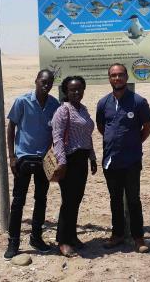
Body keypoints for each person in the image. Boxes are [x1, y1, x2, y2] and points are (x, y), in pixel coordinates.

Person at [95, 63, 150, 252]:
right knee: (115, 200)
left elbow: (148, 126)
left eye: (120, 75)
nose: (117, 78)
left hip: (132, 160)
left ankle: (138, 238)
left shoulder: (138, 101)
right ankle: (117, 234)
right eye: (113, 75)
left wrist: (135, 142)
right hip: (111, 161)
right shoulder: (103, 103)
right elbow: (102, 127)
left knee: (134, 200)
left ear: (127, 77)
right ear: (109, 78)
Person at [4, 69, 60, 259]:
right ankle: (13, 242)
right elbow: (11, 126)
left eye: (50, 82)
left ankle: (36, 238)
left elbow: (56, 131)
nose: (46, 85)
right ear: (36, 81)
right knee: (18, 202)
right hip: (24, 158)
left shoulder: (54, 104)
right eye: (43, 81)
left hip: (44, 159)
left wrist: (54, 156)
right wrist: (11, 157)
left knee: (41, 199)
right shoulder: (22, 101)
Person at [52, 76, 97, 257]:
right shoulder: (63, 111)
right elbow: (57, 138)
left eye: (79, 89)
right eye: (72, 90)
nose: (76, 92)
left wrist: (92, 158)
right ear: (66, 92)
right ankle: (62, 241)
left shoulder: (83, 109)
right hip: (68, 161)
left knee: (76, 200)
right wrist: (62, 162)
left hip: (82, 160)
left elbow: (87, 135)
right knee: (68, 201)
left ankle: (72, 236)